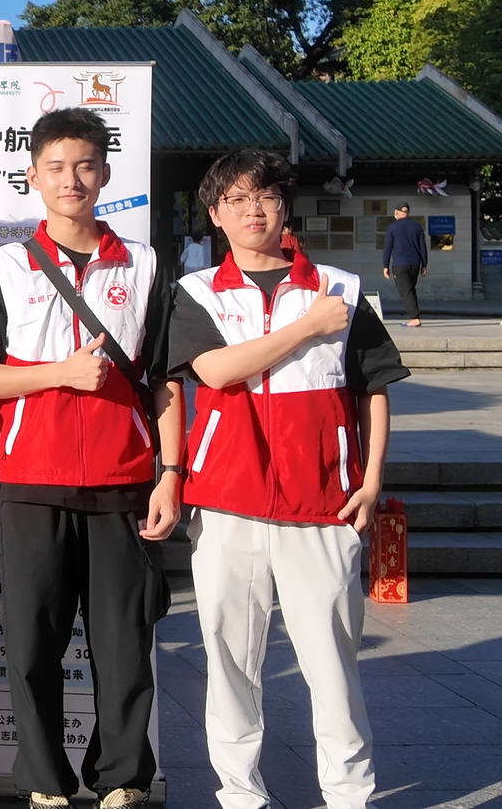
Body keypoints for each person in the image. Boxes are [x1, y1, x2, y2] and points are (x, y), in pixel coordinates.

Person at [0, 107, 184, 809]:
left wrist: (170, 474)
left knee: (123, 643)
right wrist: (59, 375)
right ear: (33, 176)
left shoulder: (144, 265)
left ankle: (124, 776)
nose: (71, 179)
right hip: (32, 481)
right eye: (55, 167)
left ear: (105, 174)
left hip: (123, 481)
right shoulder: (7, 267)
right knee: (33, 644)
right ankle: (44, 783)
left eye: (84, 165)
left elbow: (165, 380)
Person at [169, 149, 408, 809]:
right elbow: (216, 371)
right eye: (237, 199)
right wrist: (307, 328)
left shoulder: (340, 288)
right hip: (226, 502)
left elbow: (375, 388)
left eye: (266, 196)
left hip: (324, 502)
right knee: (230, 662)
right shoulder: (196, 292)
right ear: (215, 213)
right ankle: (241, 795)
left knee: (332, 664)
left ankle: (350, 795)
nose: (254, 210)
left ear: (284, 206)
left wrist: (370, 479)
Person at [380, 203, 426, 327]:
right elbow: (422, 247)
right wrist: (424, 264)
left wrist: (385, 265)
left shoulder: (392, 227)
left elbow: (388, 248)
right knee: (411, 290)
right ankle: (415, 316)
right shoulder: (417, 227)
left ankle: (414, 318)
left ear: (397, 212)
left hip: (400, 264)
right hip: (415, 264)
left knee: (405, 291)